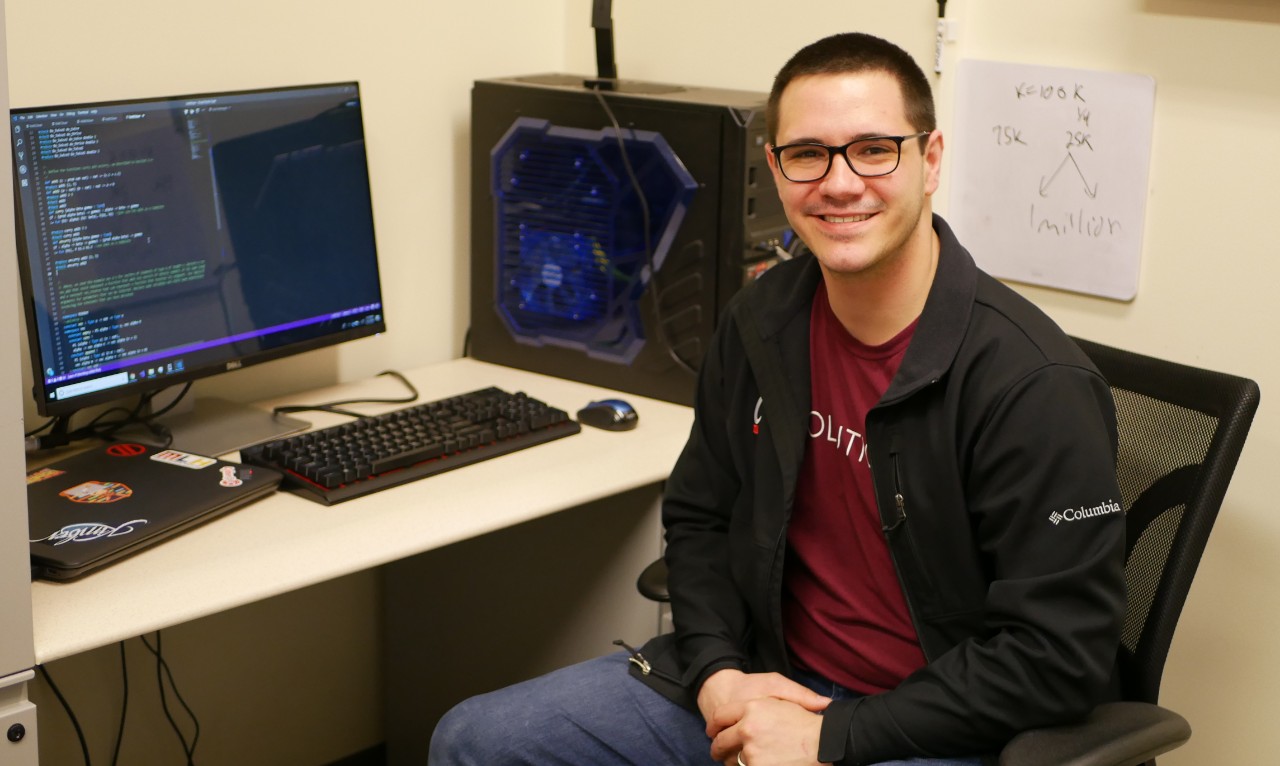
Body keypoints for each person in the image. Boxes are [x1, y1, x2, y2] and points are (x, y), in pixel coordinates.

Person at [429, 31, 1126, 766]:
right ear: (775, 167)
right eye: (808, 154)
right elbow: (700, 517)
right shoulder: (764, 320)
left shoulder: (1031, 385)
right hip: (767, 684)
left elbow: (1059, 656)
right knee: (475, 740)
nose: (840, 182)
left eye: (874, 149)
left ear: (932, 160)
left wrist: (832, 737)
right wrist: (717, 674)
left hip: (931, 725)